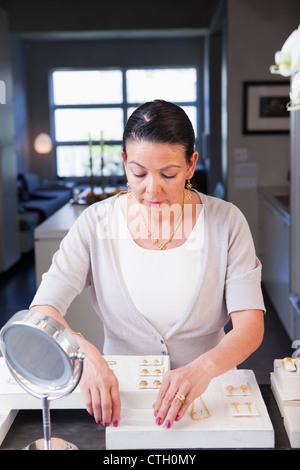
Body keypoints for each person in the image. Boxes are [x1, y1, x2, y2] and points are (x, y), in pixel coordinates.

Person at [30, 99, 265, 430]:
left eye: (168, 173)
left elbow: (250, 327)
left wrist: (204, 367)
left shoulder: (227, 222)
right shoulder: (95, 222)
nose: (152, 189)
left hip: (208, 396)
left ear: (190, 164)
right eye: (138, 173)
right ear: (124, 162)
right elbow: (43, 309)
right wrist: (82, 353)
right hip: (119, 400)